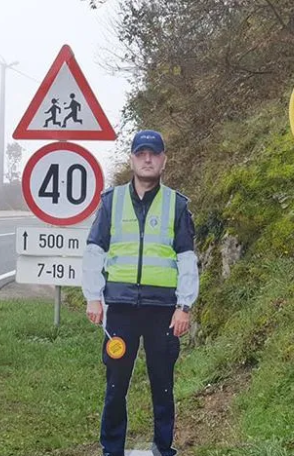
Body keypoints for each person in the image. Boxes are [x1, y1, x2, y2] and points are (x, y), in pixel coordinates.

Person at [81, 130, 199, 456]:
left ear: (164, 160)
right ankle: (112, 450)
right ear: (132, 158)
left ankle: (163, 448)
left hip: (163, 310)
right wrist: (93, 297)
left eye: (154, 153)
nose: (148, 159)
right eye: (141, 153)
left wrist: (184, 306)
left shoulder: (177, 205)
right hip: (120, 308)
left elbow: (187, 260)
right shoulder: (111, 202)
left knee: (163, 386)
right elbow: (94, 251)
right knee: (116, 386)